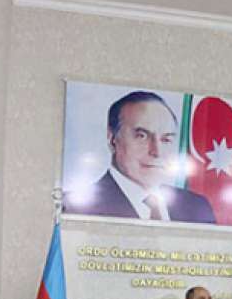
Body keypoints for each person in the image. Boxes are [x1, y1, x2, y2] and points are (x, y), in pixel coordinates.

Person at [63, 90, 216, 223]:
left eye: (166, 140)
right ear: (112, 139)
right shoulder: (72, 208)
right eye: (142, 136)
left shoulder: (197, 207)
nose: (157, 152)